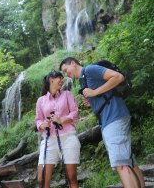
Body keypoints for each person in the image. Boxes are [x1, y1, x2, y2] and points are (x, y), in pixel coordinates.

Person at [59, 57, 145, 188]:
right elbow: (103, 95)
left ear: (73, 63)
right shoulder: (83, 80)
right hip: (108, 120)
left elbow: (118, 77)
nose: (66, 74)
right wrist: (92, 101)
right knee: (129, 161)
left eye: (66, 70)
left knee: (120, 164)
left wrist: (94, 92)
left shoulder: (90, 70)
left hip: (114, 118)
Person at [35, 70, 81, 188]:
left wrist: (61, 120)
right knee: (41, 180)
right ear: (51, 79)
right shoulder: (41, 101)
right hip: (49, 140)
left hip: (68, 138)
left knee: (71, 177)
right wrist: (43, 125)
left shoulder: (67, 95)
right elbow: (38, 120)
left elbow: (75, 113)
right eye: (59, 78)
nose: (62, 80)